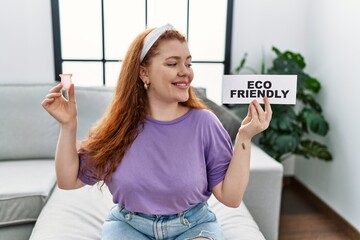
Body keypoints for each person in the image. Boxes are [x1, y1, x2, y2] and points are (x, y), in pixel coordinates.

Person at [41, 24, 272, 240]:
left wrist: (245, 136)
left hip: (193, 226)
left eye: (188, 64)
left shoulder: (205, 123)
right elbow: (68, 180)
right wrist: (68, 125)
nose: (186, 72)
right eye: (173, 64)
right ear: (144, 73)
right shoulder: (119, 127)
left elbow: (230, 198)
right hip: (129, 226)